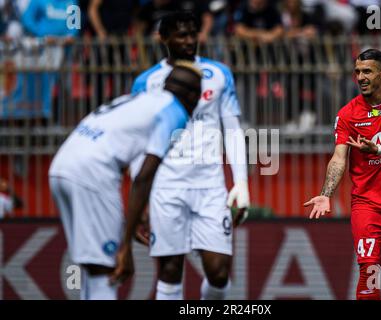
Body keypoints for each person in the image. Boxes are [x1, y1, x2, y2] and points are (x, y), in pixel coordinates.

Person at [49, 63, 202, 300]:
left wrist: (138, 212)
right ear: (193, 96)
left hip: (61, 167)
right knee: (109, 270)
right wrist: (127, 243)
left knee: (92, 268)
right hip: (93, 173)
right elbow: (144, 176)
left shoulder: (139, 98)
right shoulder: (175, 111)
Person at [129, 11, 250, 300]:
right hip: (165, 187)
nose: (188, 40)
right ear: (163, 38)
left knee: (219, 273)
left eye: (193, 33)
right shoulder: (146, 82)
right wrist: (139, 196)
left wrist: (241, 182)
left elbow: (232, 130)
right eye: (181, 35)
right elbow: (137, 141)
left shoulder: (219, 74)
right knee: (170, 270)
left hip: (210, 186)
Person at [304, 49, 381, 300]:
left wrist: (379, 149)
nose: (360, 77)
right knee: (369, 275)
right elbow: (339, 157)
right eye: (357, 72)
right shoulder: (347, 114)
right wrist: (326, 194)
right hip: (367, 205)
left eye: (367, 71)